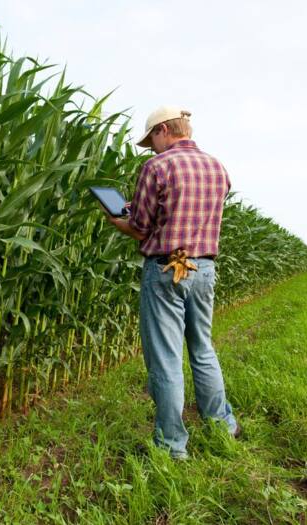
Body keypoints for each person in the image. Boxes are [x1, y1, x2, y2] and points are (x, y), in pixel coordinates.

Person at [102, 106, 239, 460]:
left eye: (152, 141)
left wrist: (114, 217)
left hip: (165, 269)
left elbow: (140, 227)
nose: (152, 149)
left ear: (164, 129)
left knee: (165, 359)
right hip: (203, 269)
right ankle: (222, 426)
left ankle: (172, 446)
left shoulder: (157, 167)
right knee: (203, 349)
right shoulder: (217, 168)